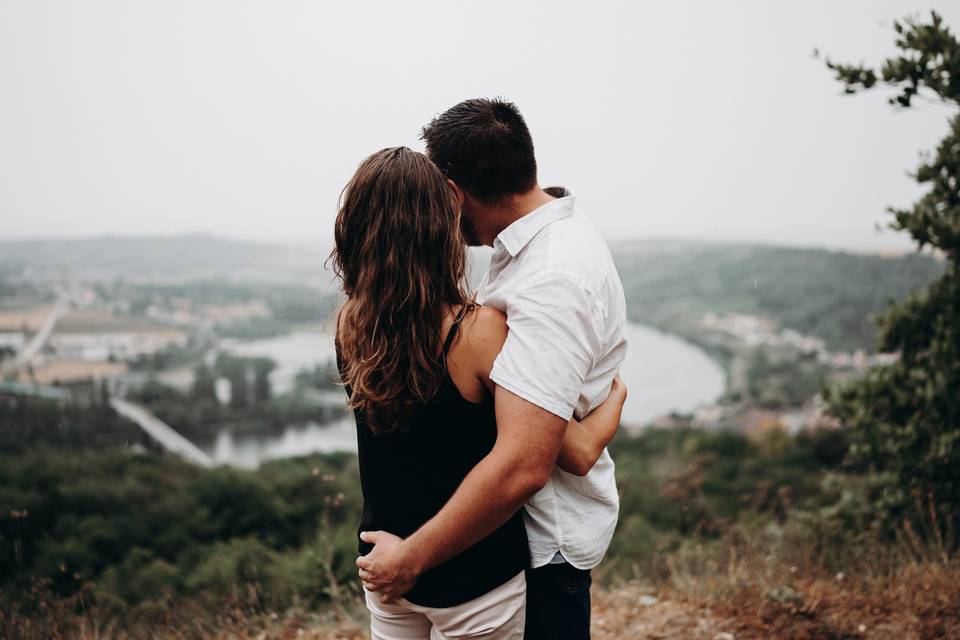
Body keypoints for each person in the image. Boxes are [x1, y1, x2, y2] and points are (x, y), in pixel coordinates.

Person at [357, 100, 629, 640]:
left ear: (453, 193)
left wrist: (409, 558)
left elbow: (527, 462)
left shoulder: (552, 278)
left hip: (539, 545)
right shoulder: (526, 249)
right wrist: (606, 414)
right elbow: (561, 439)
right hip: (495, 540)